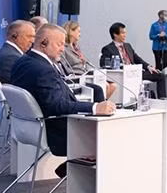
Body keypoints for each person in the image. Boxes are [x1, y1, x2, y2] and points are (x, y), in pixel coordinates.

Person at [11, 24, 116, 176]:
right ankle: (77, 171)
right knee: (110, 132)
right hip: (57, 132)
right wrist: (95, 108)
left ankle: (72, 169)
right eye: (60, 44)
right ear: (44, 43)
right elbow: (56, 106)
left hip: (30, 127)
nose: (62, 49)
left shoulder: (22, 62)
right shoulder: (43, 70)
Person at [100, 22, 167, 100]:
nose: (125, 35)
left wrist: (148, 66)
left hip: (135, 72)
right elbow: (103, 64)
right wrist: (119, 65)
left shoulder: (128, 45)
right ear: (115, 34)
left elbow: (137, 59)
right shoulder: (108, 48)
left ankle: (162, 101)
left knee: (160, 75)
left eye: (125, 33)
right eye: (123, 33)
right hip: (123, 74)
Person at [62, 21, 117, 99]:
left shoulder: (77, 48)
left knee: (113, 85)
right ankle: (101, 104)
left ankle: (101, 102)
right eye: (78, 31)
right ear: (71, 31)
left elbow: (84, 64)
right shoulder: (64, 48)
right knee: (105, 85)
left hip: (86, 74)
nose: (80, 34)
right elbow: (66, 68)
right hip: (77, 78)